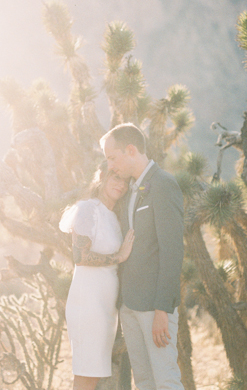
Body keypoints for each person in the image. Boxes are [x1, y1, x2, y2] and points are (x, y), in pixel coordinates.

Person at [100, 123, 185, 390]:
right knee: (145, 382)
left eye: (112, 158)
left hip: (154, 307)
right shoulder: (131, 190)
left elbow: (172, 252)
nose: (111, 166)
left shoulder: (164, 184)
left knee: (166, 379)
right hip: (130, 305)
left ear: (131, 150)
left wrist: (162, 309)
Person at [59, 161, 136, 390]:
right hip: (88, 305)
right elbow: (80, 256)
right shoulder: (87, 209)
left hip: (104, 308)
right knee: (85, 376)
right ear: (101, 176)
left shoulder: (112, 216)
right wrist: (118, 257)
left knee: (91, 377)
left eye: (125, 181)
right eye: (116, 178)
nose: (121, 186)